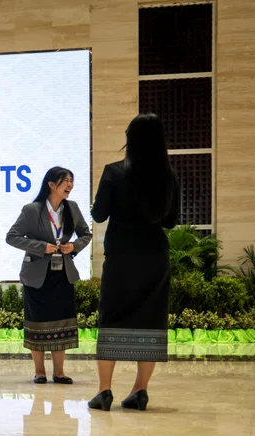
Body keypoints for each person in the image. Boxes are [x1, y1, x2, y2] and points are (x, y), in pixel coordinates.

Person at [88, 113, 179, 411]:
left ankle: (104, 391)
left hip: (122, 258)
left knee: (111, 316)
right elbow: (171, 222)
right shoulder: (169, 176)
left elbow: (99, 215)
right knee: (151, 320)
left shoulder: (114, 172)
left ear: (131, 139)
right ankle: (140, 390)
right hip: (155, 256)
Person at [7, 167, 92, 384]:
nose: (70, 185)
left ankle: (59, 372)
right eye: (65, 181)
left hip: (63, 274)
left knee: (61, 324)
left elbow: (85, 234)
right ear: (51, 185)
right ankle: (39, 372)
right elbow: (12, 237)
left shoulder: (71, 208)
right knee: (37, 323)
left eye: (71, 181)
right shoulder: (32, 210)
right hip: (37, 275)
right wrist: (40, 247)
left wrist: (73, 246)